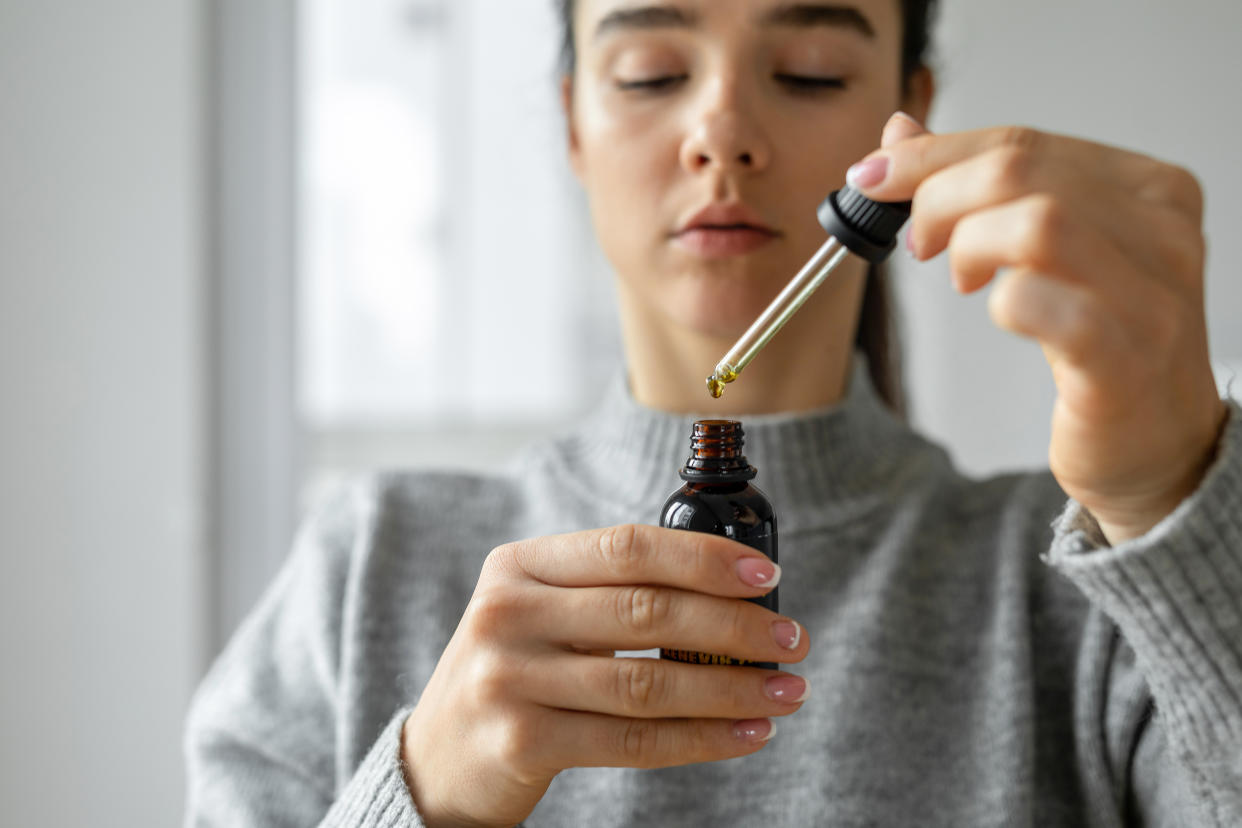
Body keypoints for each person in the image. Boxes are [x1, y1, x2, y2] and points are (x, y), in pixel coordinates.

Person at [185, 1, 1242, 825]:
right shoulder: (368, 568)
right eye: (651, 71)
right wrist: (432, 791)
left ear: (906, 116)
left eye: (809, 71)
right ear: (571, 123)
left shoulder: (1092, 588)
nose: (724, 133)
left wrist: (1176, 502)